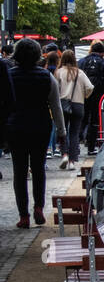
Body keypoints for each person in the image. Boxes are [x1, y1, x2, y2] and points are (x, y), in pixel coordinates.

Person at [5, 38, 65, 227]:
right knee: (39, 168)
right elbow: (56, 107)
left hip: (16, 127)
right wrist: (61, 131)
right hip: (40, 126)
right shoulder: (47, 77)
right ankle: (39, 207)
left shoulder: (9, 76)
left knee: (19, 172)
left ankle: (23, 215)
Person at [54, 50, 94, 170]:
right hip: (78, 104)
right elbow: (90, 87)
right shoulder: (80, 73)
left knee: (62, 130)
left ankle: (65, 154)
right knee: (75, 133)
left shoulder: (58, 72)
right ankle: (72, 161)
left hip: (62, 104)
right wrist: (84, 96)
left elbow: (54, 89)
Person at [78, 41, 104, 153]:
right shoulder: (103, 62)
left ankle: (76, 145)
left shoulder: (82, 61)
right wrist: (100, 89)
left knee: (82, 119)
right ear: (102, 53)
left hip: (83, 94)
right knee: (94, 121)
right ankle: (91, 147)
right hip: (97, 95)